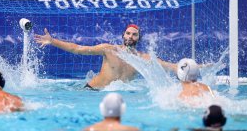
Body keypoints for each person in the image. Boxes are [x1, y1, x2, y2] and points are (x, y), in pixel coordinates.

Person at [35, 24, 177, 90]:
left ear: (139, 38)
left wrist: (197, 67)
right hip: (91, 91)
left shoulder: (143, 59)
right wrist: (52, 41)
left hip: (116, 95)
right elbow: (77, 49)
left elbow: (170, 66)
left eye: (134, 34)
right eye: (128, 33)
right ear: (123, 35)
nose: (130, 36)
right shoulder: (109, 50)